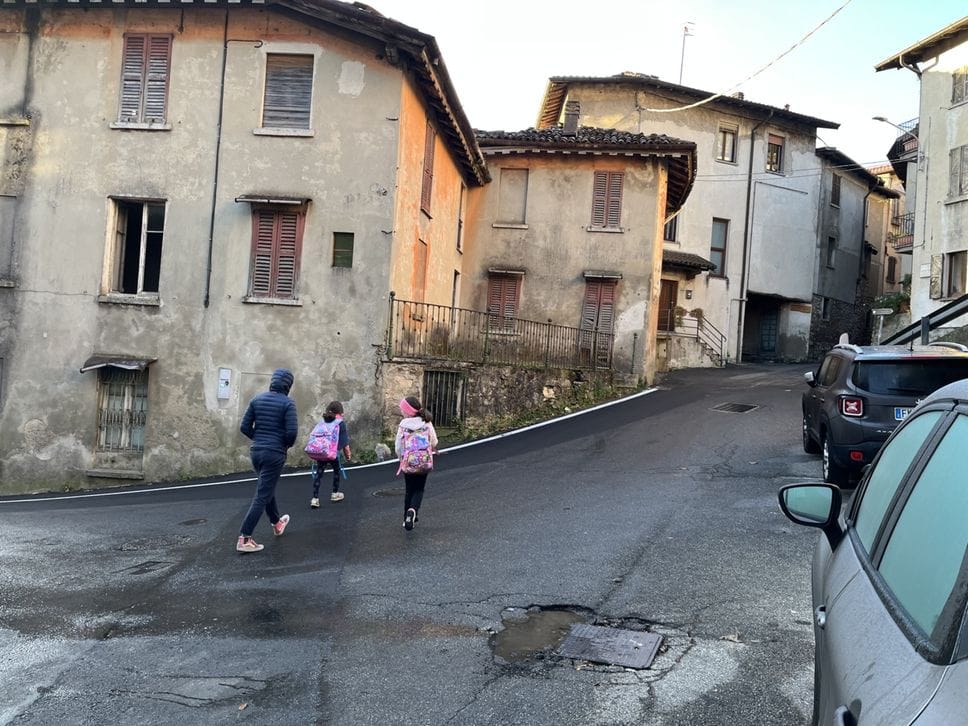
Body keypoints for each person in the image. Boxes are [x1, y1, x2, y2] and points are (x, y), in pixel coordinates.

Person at [236, 368, 298, 553]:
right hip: (274, 452)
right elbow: (292, 433)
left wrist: (259, 438)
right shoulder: (288, 403)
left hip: (256, 451)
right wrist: (283, 444)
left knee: (266, 488)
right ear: (288, 385)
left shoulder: (257, 399)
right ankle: (245, 538)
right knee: (262, 495)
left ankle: (277, 523)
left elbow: (244, 427)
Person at [394, 395, 438, 531]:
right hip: (424, 462)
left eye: (402, 409)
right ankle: (413, 511)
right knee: (419, 489)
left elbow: (398, 447)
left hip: (409, 462)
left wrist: (401, 459)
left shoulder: (403, 425)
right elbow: (434, 441)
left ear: (407, 411)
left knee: (409, 490)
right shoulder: (426, 422)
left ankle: (406, 517)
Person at [309, 400, 352, 507]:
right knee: (336, 471)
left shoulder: (323, 421)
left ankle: (315, 498)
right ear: (340, 412)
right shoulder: (340, 423)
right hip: (332, 453)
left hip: (321, 452)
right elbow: (345, 444)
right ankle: (335, 493)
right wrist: (348, 456)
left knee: (319, 474)